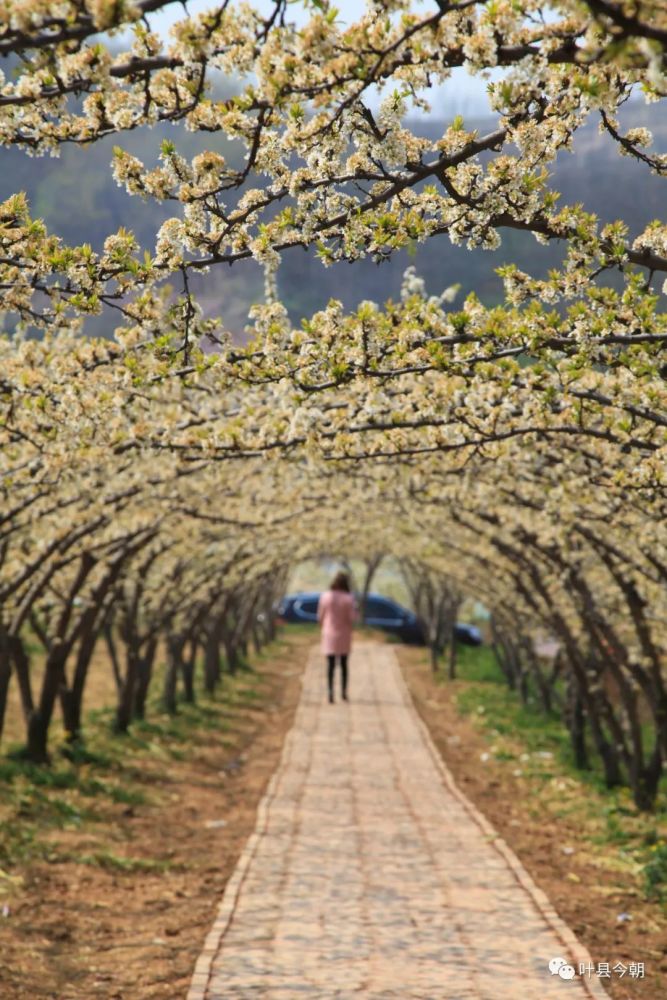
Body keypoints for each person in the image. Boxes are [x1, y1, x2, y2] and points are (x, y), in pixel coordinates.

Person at [317, 571, 357, 703]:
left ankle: (330, 692)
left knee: (331, 665)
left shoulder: (325, 596)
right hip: (344, 633)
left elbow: (320, 616)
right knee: (344, 664)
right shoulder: (348, 598)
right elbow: (352, 618)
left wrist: (323, 626)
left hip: (329, 633)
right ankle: (344, 692)